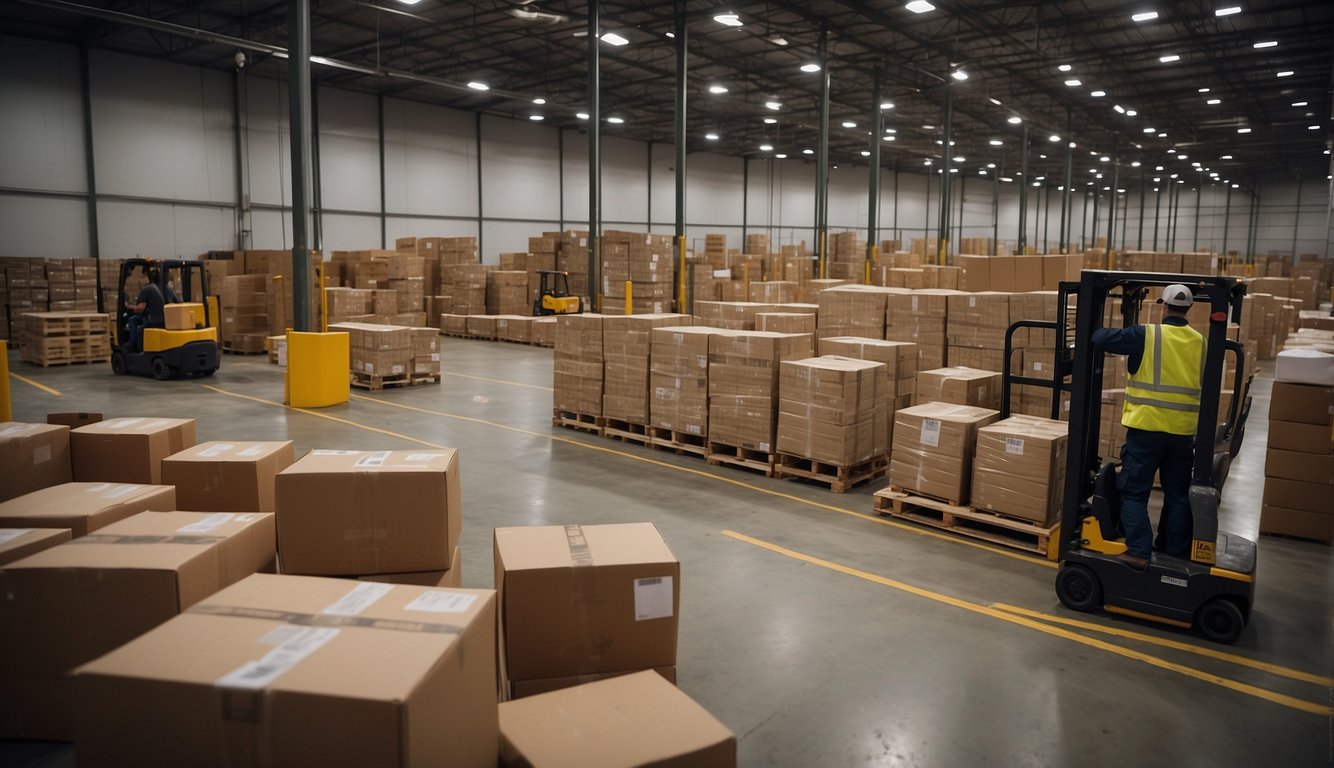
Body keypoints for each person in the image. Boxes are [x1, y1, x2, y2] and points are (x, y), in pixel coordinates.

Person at [1092, 284, 1204, 570]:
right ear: (1188, 309)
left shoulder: (1146, 334)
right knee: (1177, 494)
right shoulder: (1200, 341)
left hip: (1146, 430)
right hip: (1182, 433)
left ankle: (1139, 551)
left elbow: (1100, 338)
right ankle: (1174, 551)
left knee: (1134, 491)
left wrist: (1098, 320)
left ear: (1163, 307)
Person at [125, 267, 167, 353]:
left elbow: (140, 309)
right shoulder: (159, 288)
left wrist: (130, 307)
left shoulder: (147, 289)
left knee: (132, 320)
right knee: (135, 319)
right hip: (160, 319)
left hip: (152, 321)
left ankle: (133, 345)